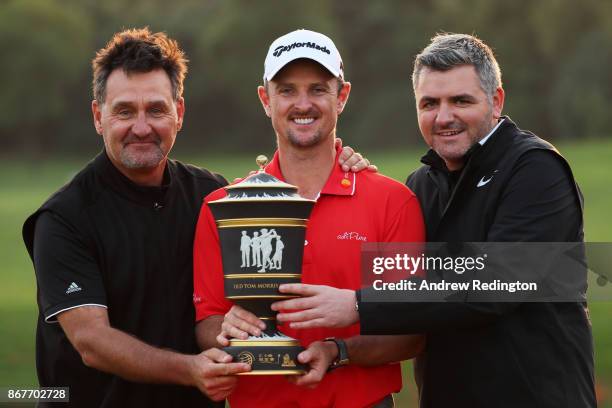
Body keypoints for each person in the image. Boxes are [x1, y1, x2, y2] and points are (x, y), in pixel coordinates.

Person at [21, 28, 370, 408]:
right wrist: (190, 369)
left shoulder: (212, 195)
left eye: (156, 109)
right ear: (97, 117)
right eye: (124, 111)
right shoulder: (63, 217)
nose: (142, 127)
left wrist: (337, 162)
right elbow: (92, 343)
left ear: (179, 112)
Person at [272, 33, 596, 408]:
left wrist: (359, 304)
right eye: (430, 103)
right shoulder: (421, 185)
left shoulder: (535, 169)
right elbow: (407, 283)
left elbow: (495, 283)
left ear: (496, 101)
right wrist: (344, 171)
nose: (444, 117)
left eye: (460, 100)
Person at [193, 29, 426, 408]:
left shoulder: (393, 202)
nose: (303, 104)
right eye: (287, 90)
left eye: (318, 89)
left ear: (342, 96)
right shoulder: (223, 207)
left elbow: (412, 333)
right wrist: (227, 328)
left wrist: (339, 350)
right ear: (265, 99)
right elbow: (206, 322)